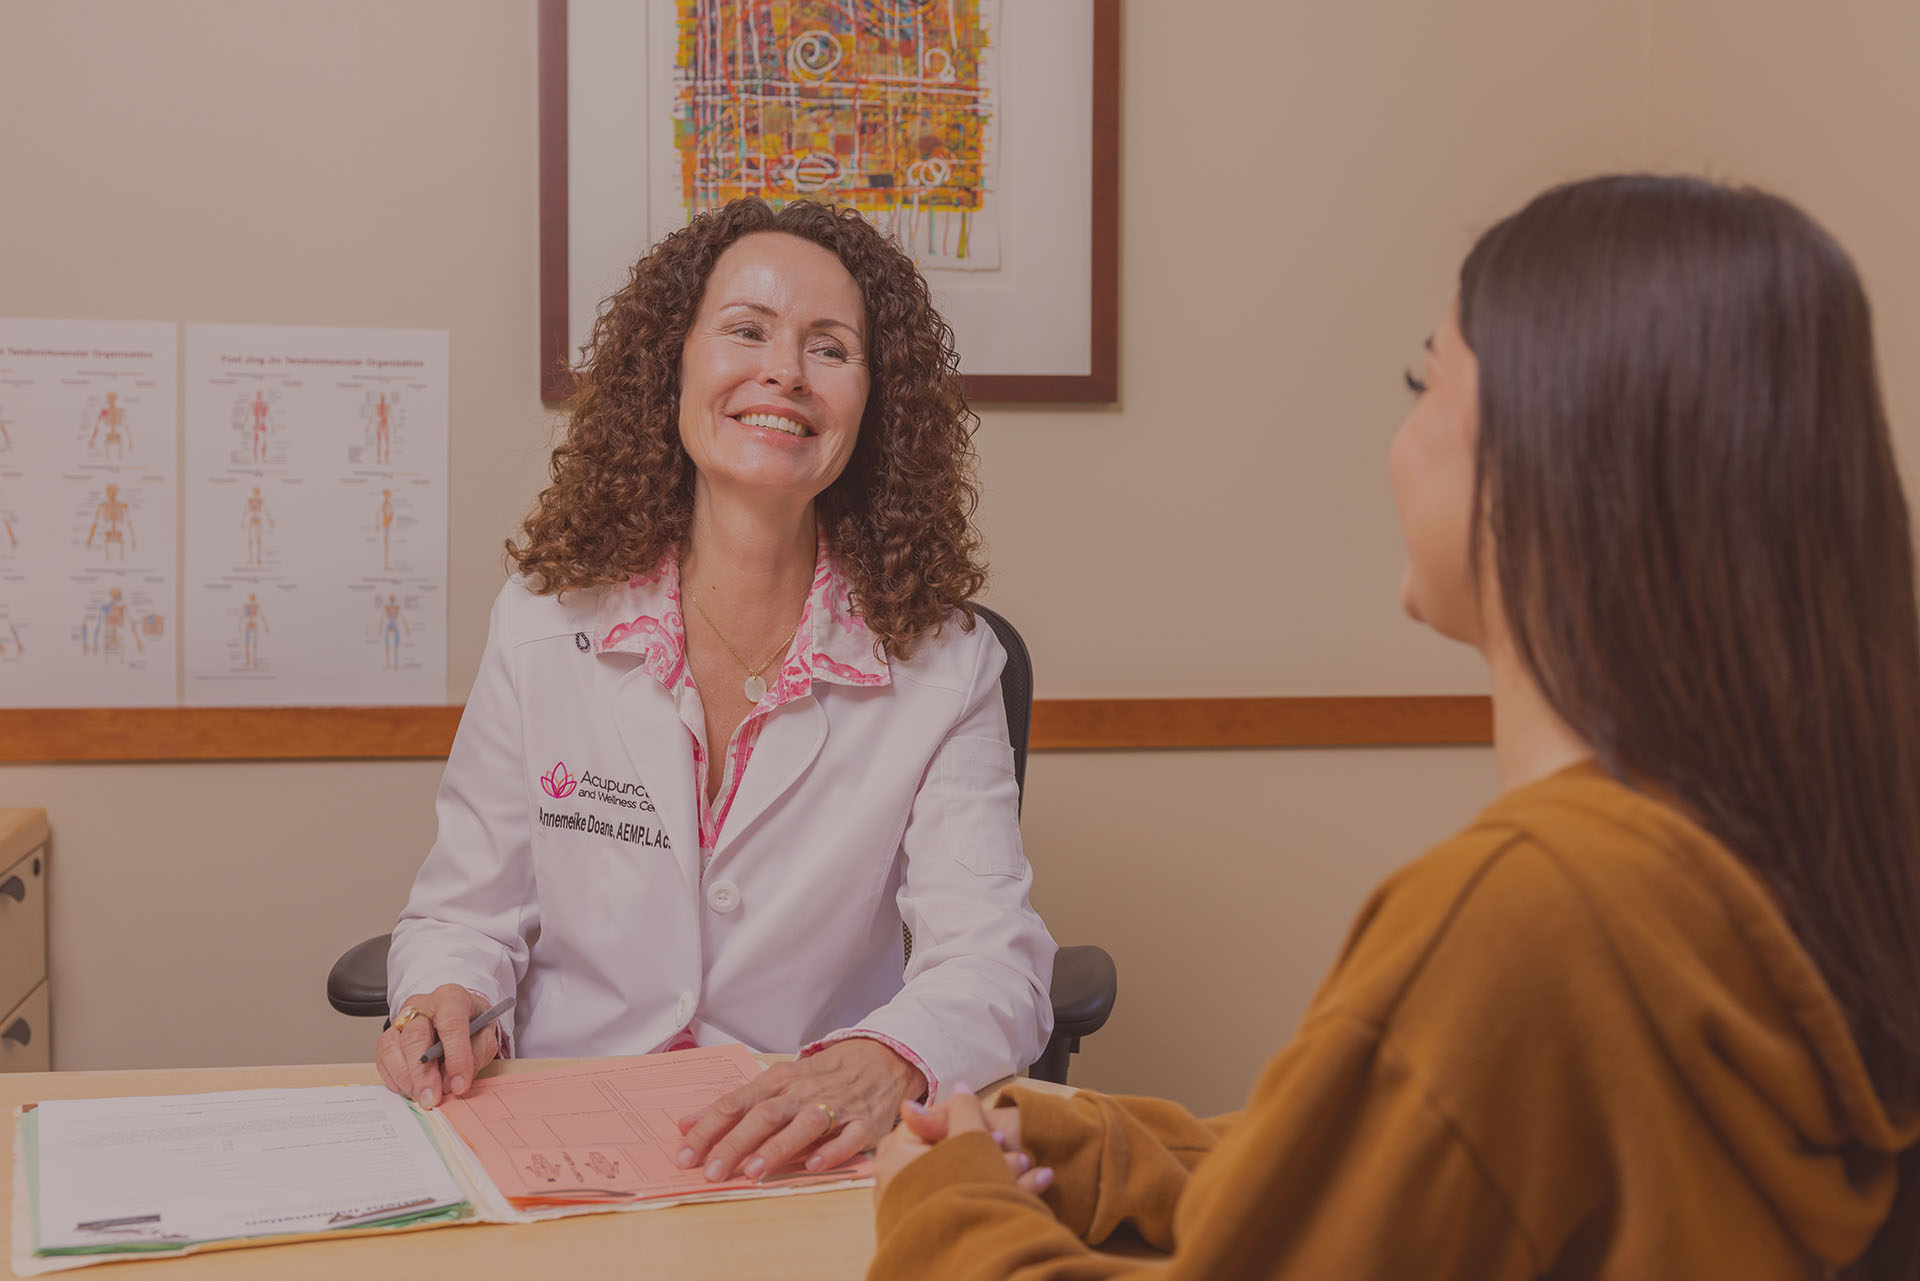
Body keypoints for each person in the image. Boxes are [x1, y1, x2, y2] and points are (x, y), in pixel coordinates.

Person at [870, 175, 1920, 1278]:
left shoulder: (1533, 914)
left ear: (1555, 464)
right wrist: (1100, 1151)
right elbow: (1414, 1167)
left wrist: (940, 1204)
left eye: (1429, 380)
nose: (1399, 437)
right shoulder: (1777, 865)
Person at [378, 198, 1055, 1186]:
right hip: (570, 1144)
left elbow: (993, 958)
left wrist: (884, 1060)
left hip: (804, 1148)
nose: (783, 371)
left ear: (874, 404)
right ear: (675, 366)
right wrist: (442, 993)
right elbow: (465, 914)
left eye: (830, 348)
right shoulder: (542, 622)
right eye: (746, 330)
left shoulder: (944, 664)